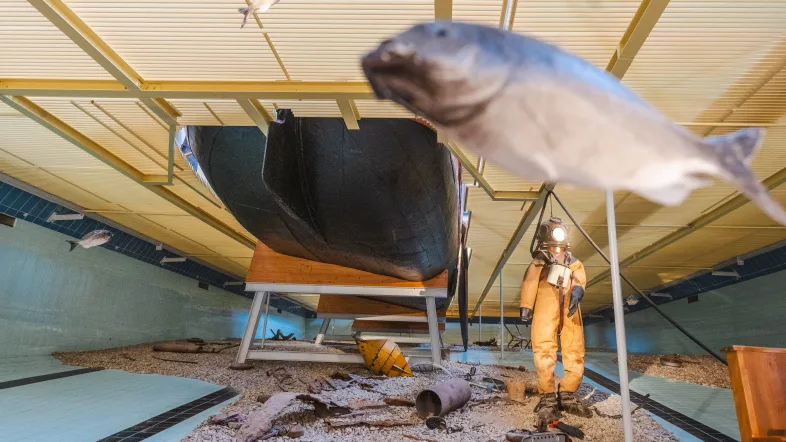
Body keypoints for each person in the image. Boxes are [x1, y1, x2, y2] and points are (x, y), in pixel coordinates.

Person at [519, 217, 592, 429]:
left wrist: (578, 289)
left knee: (575, 350)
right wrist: (527, 305)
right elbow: (530, 281)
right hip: (545, 307)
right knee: (543, 350)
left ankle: (568, 392)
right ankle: (548, 396)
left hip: (570, 309)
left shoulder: (574, 262)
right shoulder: (539, 261)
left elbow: (580, 276)